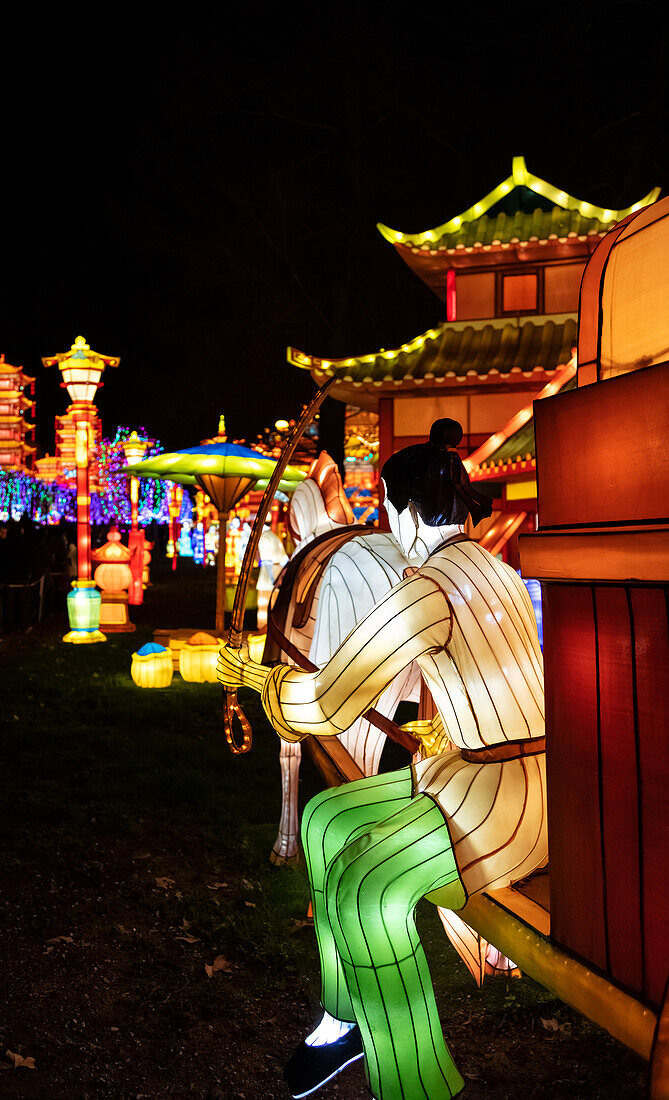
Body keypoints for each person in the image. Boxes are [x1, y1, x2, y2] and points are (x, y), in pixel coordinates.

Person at [218, 419, 547, 1100]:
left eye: (384, 511)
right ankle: (343, 1019)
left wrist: (254, 679)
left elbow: (327, 707)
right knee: (326, 818)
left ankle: (415, 1082)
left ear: (398, 510)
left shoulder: (426, 588)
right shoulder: (498, 569)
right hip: (491, 772)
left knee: (365, 887)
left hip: (498, 801)